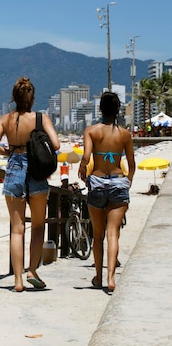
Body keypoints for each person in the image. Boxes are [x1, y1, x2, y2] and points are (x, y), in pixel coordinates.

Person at [0, 77, 60, 292]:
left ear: (14, 98)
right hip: (37, 172)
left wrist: (10, 151)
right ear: (32, 98)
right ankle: (32, 270)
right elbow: (56, 144)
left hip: (13, 170)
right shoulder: (41, 118)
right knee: (38, 225)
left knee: (17, 229)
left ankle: (17, 281)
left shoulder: (5, 119)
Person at [78, 91, 135, 292]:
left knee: (98, 235)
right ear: (117, 110)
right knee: (113, 234)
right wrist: (128, 182)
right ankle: (111, 278)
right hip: (119, 183)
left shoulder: (91, 131)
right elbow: (131, 164)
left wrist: (83, 167)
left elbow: (86, 156)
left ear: (100, 109)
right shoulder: (125, 134)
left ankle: (99, 277)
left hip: (98, 183)